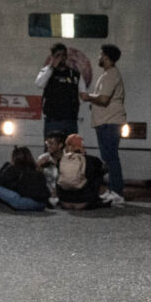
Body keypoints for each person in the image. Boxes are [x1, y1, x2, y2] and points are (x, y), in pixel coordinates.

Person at [80, 44, 127, 205]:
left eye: (100, 55)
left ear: (106, 57)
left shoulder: (111, 75)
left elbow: (104, 99)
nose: (98, 57)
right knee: (108, 158)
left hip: (110, 121)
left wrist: (88, 97)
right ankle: (112, 191)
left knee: (112, 158)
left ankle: (118, 193)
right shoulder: (107, 74)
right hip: (105, 121)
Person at [34, 43, 81, 137]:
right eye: (58, 55)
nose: (61, 58)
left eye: (63, 55)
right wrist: (52, 67)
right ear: (52, 57)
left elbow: (82, 93)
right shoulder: (47, 70)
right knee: (52, 148)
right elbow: (39, 84)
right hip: (53, 120)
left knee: (71, 149)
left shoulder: (74, 74)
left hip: (70, 120)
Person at [55, 134, 109, 210]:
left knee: (60, 175)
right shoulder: (92, 159)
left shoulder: (61, 160)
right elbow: (105, 169)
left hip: (65, 203)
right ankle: (97, 198)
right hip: (83, 203)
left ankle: (61, 198)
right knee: (97, 174)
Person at [0, 146, 50, 211]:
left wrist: (6, 168)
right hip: (42, 204)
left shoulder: (14, 168)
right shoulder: (36, 170)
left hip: (26, 203)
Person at [36, 131, 67, 202]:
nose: (48, 146)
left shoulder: (68, 159)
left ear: (60, 145)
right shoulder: (43, 157)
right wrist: (38, 166)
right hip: (47, 192)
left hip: (64, 192)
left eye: (51, 144)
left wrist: (57, 165)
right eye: (47, 143)